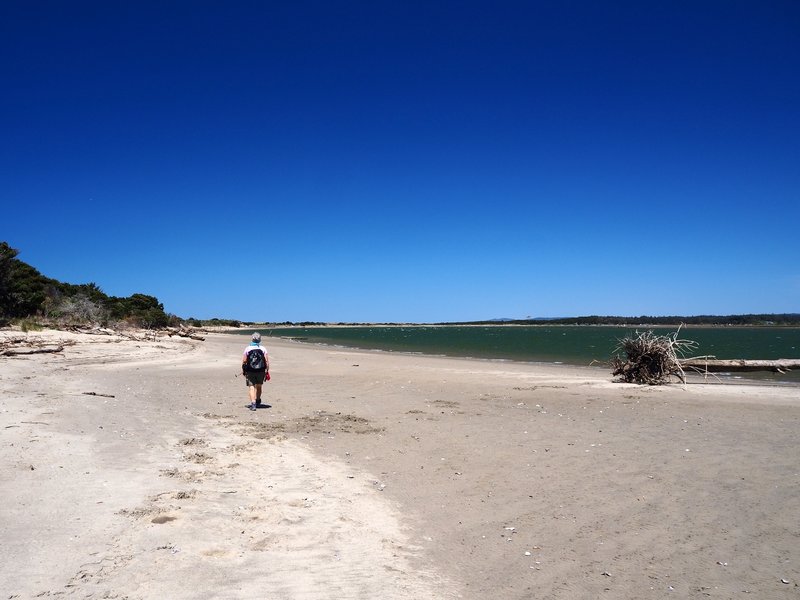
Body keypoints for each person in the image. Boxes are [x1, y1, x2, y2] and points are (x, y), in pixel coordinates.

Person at [242, 332, 270, 410]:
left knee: (251, 387)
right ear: (260, 339)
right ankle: (258, 401)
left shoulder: (248, 348)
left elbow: (244, 361)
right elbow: (267, 361)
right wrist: (267, 370)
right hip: (261, 370)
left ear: (252, 339)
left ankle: (253, 404)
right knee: (259, 386)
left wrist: (244, 370)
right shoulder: (263, 348)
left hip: (250, 370)